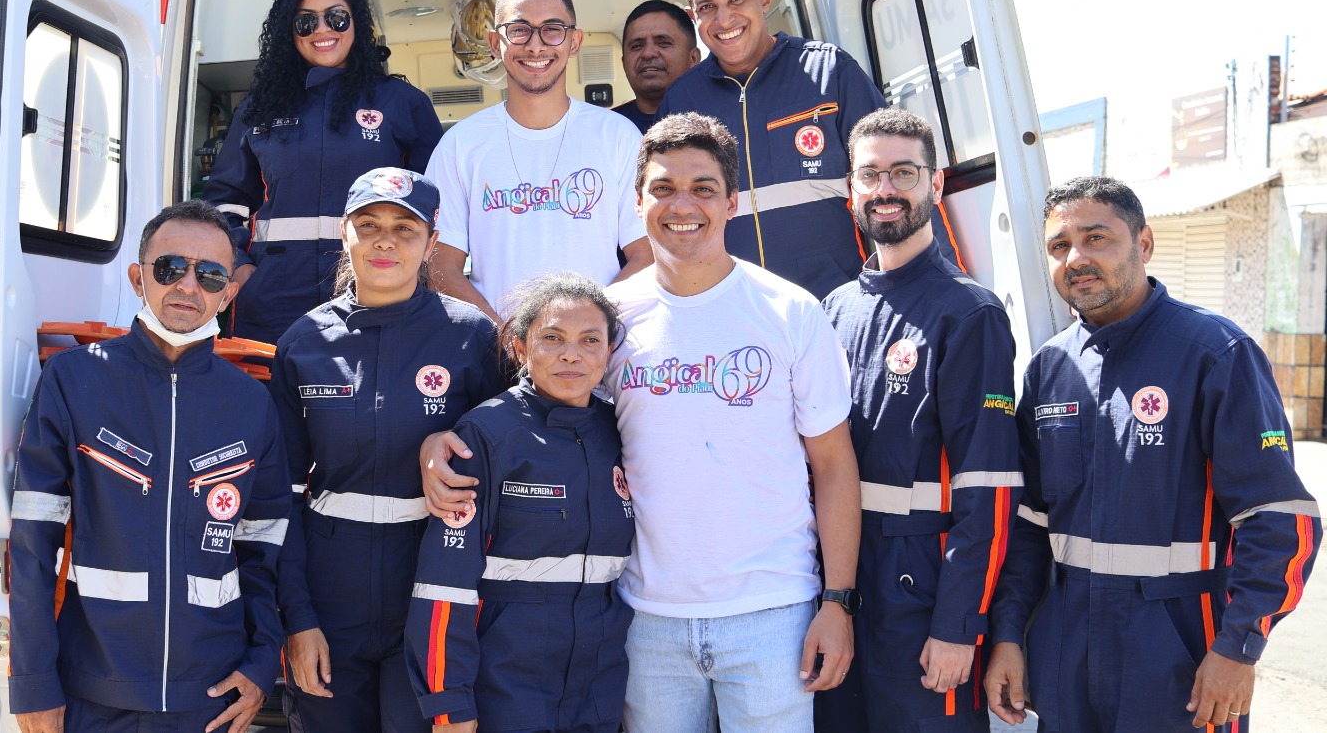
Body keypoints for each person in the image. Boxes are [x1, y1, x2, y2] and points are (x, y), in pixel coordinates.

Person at [424, 112, 862, 731]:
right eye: (662, 188)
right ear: (637, 202)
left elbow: (835, 466)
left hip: (775, 613)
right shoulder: (612, 321)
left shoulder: (791, 312)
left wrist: (837, 601)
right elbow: (536, 412)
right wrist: (445, 441)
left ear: (732, 201)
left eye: (703, 188)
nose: (683, 205)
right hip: (643, 619)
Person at [984, 176, 1321, 733]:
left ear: (1143, 244)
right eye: (1059, 246)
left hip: (1179, 655)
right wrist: (1008, 635)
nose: (1077, 258)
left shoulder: (1216, 354)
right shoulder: (1049, 371)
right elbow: (1026, 527)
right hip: (1067, 650)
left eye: (1097, 238)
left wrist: (1239, 647)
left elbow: (1281, 520)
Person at [7, 200, 293, 733]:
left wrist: (259, 666)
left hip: (210, 699)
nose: (189, 286)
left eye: (210, 275)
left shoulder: (252, 403)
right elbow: (31, 545)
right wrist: (32, 682)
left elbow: (266, 549)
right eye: (170, 268)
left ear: (228, 293)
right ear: (139, 278)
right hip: (91, 694)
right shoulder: (73, 381)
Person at [268, 168, 505, 732]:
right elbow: (279, 496)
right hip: (331, 593)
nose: (385, 240)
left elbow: (501, 471)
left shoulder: (472, 337)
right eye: (369, 224)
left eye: (405, 227)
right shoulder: (303, 342)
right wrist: (297, 621)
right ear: (345, 232)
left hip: (429, 585)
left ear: (431, 239)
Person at [814, 109, 1020, 733]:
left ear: (935, 184)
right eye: (870, 174)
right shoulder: (832, 311)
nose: (884, 190)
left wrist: (959, 626)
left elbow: (990, 491)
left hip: (925, 596)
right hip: (841, 590)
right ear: (850, 188)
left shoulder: (969, 314)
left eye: (903, 172)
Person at [406, 273, 635, 733]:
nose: (572, 353)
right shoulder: (486, 436)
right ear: (519, 348)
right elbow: (443, 587)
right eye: (552, 338)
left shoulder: (624, 433)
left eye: (590, 340)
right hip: (504, 689)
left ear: (609, 352)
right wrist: (450, 706)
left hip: (599, 687)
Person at [205, 0, 445, 345]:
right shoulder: (257, 110)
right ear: (290, 31)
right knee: (268, 399)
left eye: (336, 18)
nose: (322, 30)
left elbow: (438, 206)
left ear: (357, 23)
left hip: (374, 289)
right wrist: (240, 265)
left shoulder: (403, 104)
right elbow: (225, 202)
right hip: (271, 296)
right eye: (305, 21)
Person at [656, 0, 889, 299]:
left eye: (737, 0)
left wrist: (931, 284)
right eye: (707, 7)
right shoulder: (682, 101)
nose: (724, 19)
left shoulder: (829, 72)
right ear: (694, 15)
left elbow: (896, 177)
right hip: (731, 309)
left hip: (837, 301)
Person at [424, 0, 653, 325]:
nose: (535, 46)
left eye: (552, 29)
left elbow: (647, 254)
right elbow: (440, 265)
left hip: (598, 354)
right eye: (519, 30)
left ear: (575, 41)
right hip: (499, 358)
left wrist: (588, 332)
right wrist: (505, 339)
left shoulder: (618, 136)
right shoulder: (461, 145)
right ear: (494, 43)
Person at [612, 0, 700, 133]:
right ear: (624, 63)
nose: (648, 54)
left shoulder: (719, 120)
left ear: (693, 58)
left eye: (663, 43)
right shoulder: (606, 129)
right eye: (637, 46)